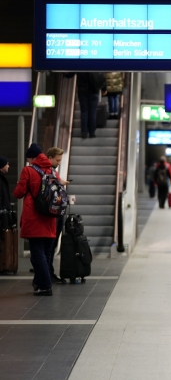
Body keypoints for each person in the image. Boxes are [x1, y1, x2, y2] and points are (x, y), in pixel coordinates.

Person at [13, 144, 56, 296]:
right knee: (46, 253)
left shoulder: (28, 170)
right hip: (50, 216)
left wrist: (19, 185)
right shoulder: (52, 170)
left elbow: (19, 193)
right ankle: (39, 283)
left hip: (34, 216)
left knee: (37, 253)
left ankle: (45, 286)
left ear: (32, 158)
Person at [46, 147, 70, 281]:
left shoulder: (53, 172)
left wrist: (61, 183)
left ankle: (49, 271)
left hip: (57, 212)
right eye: (57, 160)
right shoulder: (46, 172)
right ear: (50, 158)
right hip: (52, 213)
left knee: (53, 243)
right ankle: (47, 273)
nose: (59, 163)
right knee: (49, 245)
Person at [64, 72, 107, 139]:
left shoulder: (79, 65)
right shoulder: (96, 64)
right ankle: (92, 133)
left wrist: (63, 72)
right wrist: (104, 88)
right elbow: (101, 76)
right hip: (94, 91)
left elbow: (70, 74)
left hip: (82, 92)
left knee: (84, 112)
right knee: (92, 113)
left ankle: (84, 133)